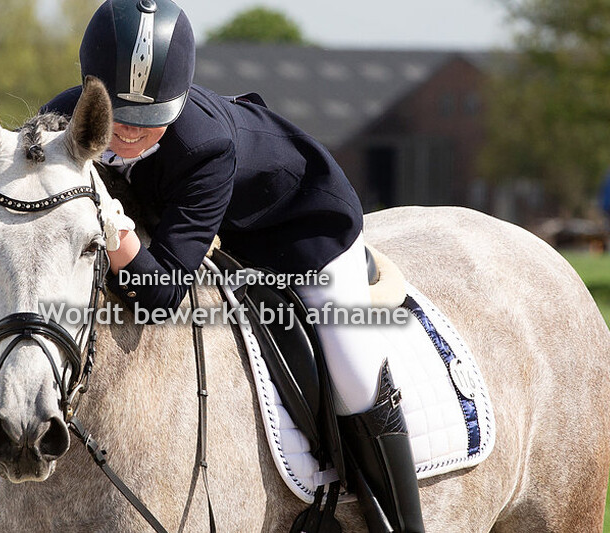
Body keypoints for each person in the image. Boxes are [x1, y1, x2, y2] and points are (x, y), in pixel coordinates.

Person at [41, 0, 424, 530]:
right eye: (116, 115)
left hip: (299, 228)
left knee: (355, 375)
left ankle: (398, 520)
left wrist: (112, 226)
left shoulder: (205, 146)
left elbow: (161, 295)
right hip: (201, 227)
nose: (127, 132)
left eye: (150, 119)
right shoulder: (62, 121)